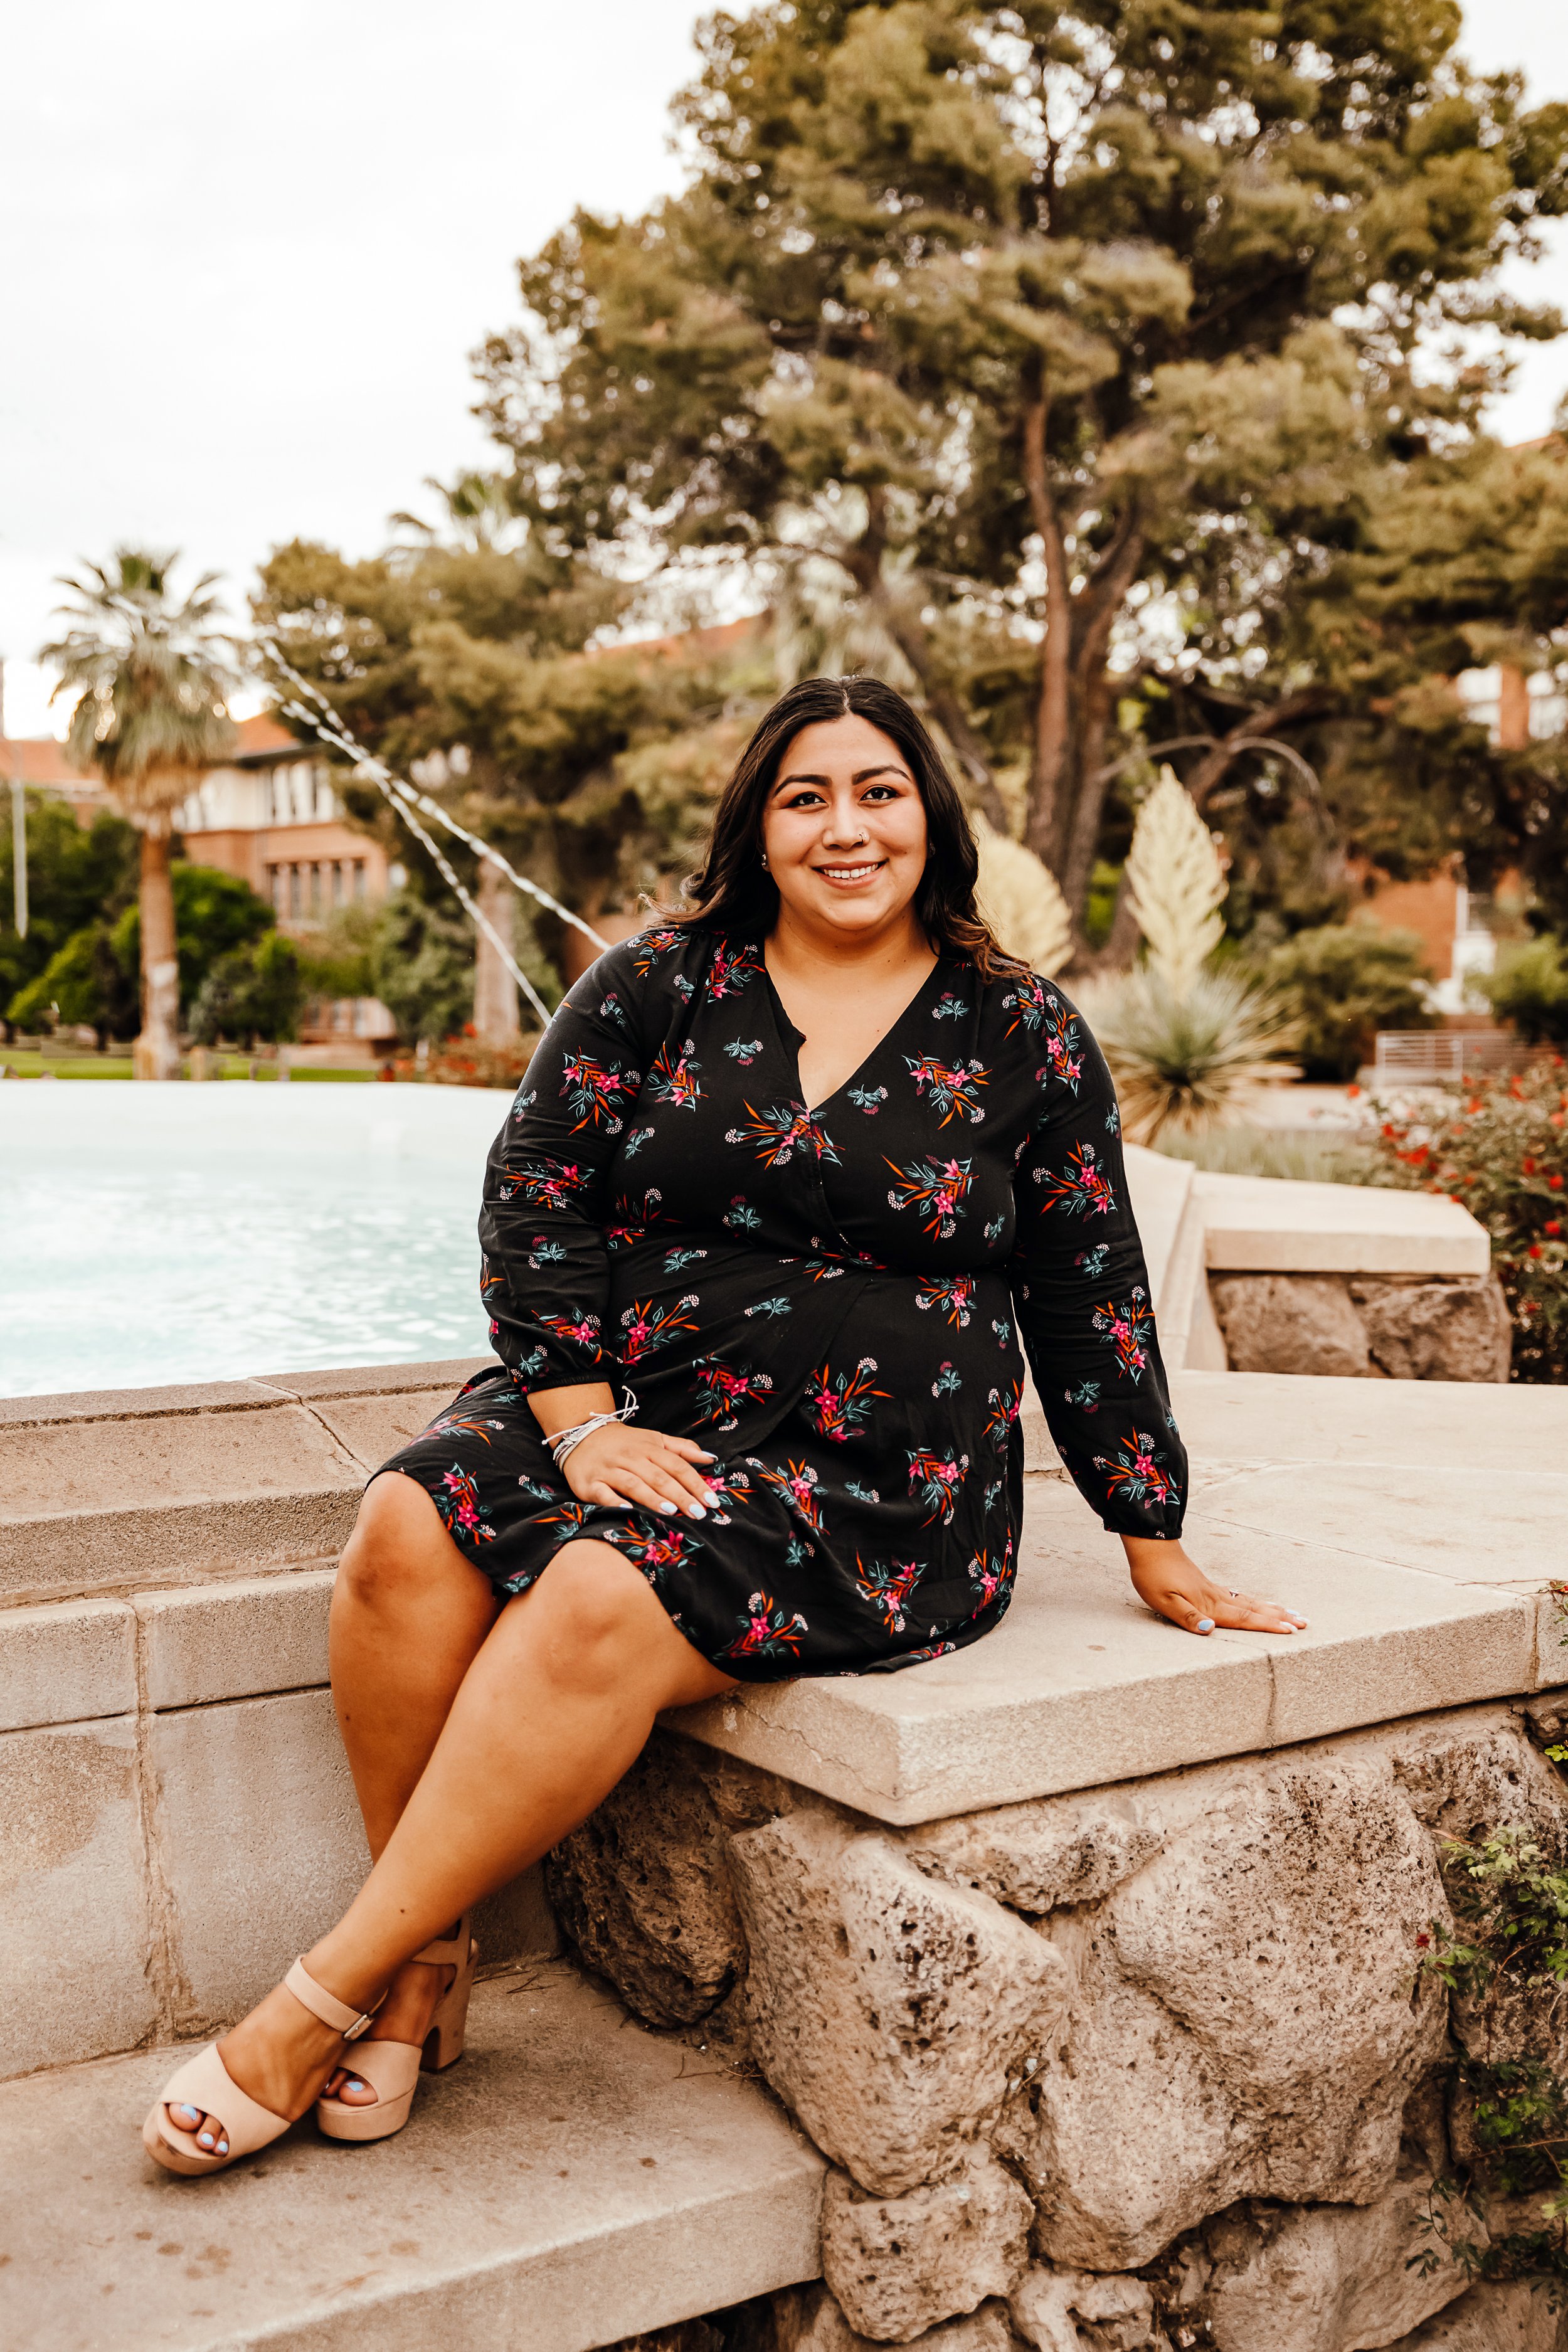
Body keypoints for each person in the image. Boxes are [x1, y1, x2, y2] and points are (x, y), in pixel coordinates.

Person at [143, 674, 1305, 2175]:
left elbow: (1088, 1282)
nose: (843, 827)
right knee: (400, 1532)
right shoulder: (657, 982)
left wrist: (1150, 1529)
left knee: (592, 1596)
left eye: (877, 791)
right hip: (634, 1401)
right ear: (757, 825)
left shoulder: (1020, 1025)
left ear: (927, 817)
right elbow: (535, 1193)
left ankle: (321, 1996)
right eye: (804, 796)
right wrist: (571, 1426)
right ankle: (422, 1958)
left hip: (872, 1466)